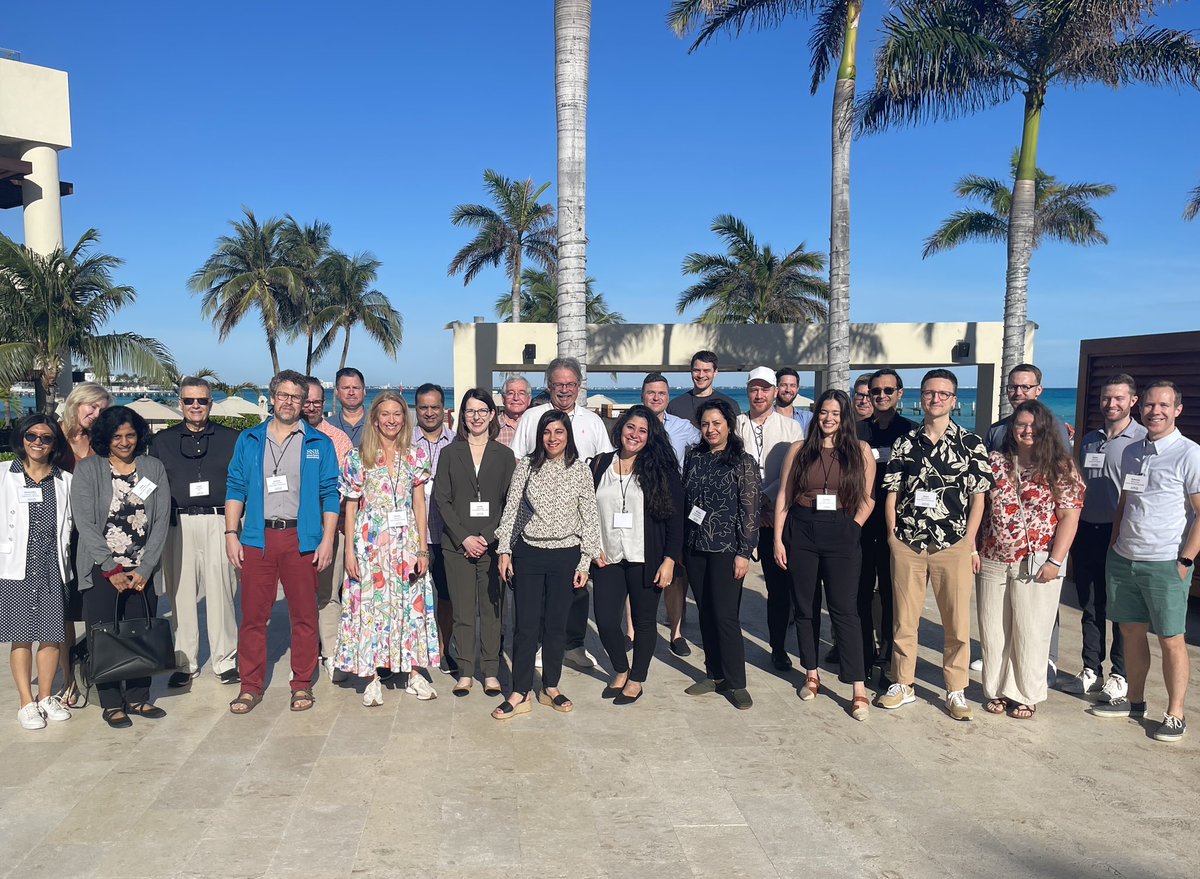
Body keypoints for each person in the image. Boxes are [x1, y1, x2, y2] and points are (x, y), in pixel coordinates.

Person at [878, 369, 993, 721]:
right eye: (930, 392)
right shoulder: (905, 442)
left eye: (944, 394)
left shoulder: (971, 444)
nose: (936, 398)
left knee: (956, 623)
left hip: (952, 543)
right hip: (909, 543)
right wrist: (892, 535)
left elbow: (979, 499)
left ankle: (955, 690)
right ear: (921, 396)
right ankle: (903, 684)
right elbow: (893, 491)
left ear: (954, 400)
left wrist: (970, 541)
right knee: (904, 619)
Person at [1091, 381, 1200, 743]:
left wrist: (1185, 559)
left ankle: (1175, 713)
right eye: (1150, 405)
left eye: (1164, 405)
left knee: (1171, 638)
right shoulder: (1132, 451)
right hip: (1124, 558)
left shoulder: (1189, 453)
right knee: (1130, 632)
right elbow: (1126, 501)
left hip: (1166, 561)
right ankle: (1134, 701)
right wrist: (1114, 543)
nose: (1155, 411)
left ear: (1177, 410)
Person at [225, 370, 339, 715]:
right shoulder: (249, 440)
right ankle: (250, 685)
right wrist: (232, 534)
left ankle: (302, 683)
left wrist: (328, 540)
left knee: (303, 615)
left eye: (296, 397)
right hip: (258, 538)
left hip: (301, 538)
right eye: (283, 395)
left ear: (305, 403)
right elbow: (236, 487)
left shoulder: (319, 443)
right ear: (272, 397)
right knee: (253, 617)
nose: (289, 402)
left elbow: (330, 494)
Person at [978, 401, 1084, 720]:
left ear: (1045, 429)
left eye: (1033, 426)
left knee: (1031, 630)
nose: (1026, 431)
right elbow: (977, 507)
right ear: (1012, 429)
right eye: (1021, 425)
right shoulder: (993, 462)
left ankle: (1026, 693)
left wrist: (1055, 561)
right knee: (993, 630)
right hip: (993, 557)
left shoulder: (1060, 466)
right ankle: (996, 690)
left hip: (1037, 562)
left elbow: (1069, 517)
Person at [334, 391, 441, 707]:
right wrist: (350, 552)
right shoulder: (358, 457)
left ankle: (414, 672)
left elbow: (419, 503)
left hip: (406, 541)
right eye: (386, 414)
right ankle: (370, 677)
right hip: (370, 544)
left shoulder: (416, 456)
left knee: (412, 604)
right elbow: (351, 507)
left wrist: (423, 548)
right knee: (370, 608)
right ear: (375, 418)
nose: (392, 419)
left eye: (398, 413)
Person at [774, 390, 875, 721]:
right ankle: (811, 673)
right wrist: (778, 538)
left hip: (842, 530)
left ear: (845, 417)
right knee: (804, 607)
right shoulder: (800, 450)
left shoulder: (859, 451)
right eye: (823, 412)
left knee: (845, 610)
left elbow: (868, 498)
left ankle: (858, 688)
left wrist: (853, 528)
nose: (829, 418)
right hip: (802, 530)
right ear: (815, 416)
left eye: (835, 413)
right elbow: (784, 496)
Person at [494, 410, 601, 719]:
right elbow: (511, 508)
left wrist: (585, 562)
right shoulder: (526, 466)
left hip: (566, 556)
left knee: (556, 626)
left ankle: (550, 686)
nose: (552, 438)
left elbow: (590, 518)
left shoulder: (580, 470)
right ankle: (519, 691)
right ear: (539, 436)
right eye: (547, 432)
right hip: (529, 554)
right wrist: (504, 551)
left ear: (568, 435)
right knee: (525, 627)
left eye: (559, 432)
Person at [71, 407, 171, 728]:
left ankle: (139, 697)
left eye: (130, 435)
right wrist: (111, 568)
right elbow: (85, 524)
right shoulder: (89, 470)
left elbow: (160, 521)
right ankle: (112, 702)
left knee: (141, 631)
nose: (125, 442)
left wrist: (146, 567)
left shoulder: (152, 468)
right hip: (104, 570)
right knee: (105, 633)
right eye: (117, 436)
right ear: (105, 438)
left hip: (143, 569)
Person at [511, 357, 613, 670]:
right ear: (549, 387)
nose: (565, 390)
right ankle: (542, 645)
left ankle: (574, 645)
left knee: (577, 589)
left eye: (570, 384)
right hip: (537, 524)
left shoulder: (592, 421)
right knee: (538, 594)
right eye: (558, 384)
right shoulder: (532, 417)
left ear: (579, 386)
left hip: (577, 521)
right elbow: (519, 464)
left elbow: (604, 466)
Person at [589, 406, 685, 704]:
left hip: (647, 558)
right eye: (631, 427)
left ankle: (637, 678)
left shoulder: (661, 470)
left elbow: (676, 520)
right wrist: (592, 547)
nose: (635, 435)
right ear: (621, 429)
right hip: (608, 558)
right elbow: (586, 511)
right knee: (605, 620)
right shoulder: (600, 464)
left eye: (643, 430)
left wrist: (670, 560)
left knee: (644, 622)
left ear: (650, 436)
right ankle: (620, 667)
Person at [149, 377, 241, 688]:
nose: (196, 406)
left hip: (219, 522)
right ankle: (185, 661)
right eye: (189, 401)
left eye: (202, 400)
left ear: (211, 403)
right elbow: (150, 484)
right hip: (178, 524)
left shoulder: (232, 439)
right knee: (181, 595)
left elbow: (243, 483)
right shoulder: (162, 441)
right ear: (180, 404)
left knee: (222, 593)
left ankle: (225, 660)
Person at [1065, 374, 1145, 700]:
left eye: (1119, 398)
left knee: (1120, 608)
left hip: (1121, 535)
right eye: (1106, 398)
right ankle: (1091, 669)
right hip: (1087, 530)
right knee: (1090, 605)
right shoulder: (1089, 440)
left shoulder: (1142, 440)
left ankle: (1120, 674)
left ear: (1133, 401)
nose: (1111, 404)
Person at [434, 389, 516, 698]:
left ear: (493, 414)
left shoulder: (504, 455)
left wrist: (487, 536)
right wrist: (464, 537)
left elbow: (510, 502)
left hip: (493, 547)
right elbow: (442, 499)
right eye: (470, 411)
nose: (476, 416)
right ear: (462, 416)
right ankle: (466, 671)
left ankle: (491, 671)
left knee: (492, 611)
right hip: (457, 545)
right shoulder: (450, 453)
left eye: (482, 410)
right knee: (463, 611)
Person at [681, 398, 761, 710]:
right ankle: (713, 673)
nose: (711, 429)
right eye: (705, 424)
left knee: (725, 615)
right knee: (704, 612)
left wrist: (745, 551)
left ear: (728, 424)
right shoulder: (695, 457)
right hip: (696, 546)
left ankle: (736, 681)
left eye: (716, 423)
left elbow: (750, 510)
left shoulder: (743, 461)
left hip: (727, 548)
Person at [2, 416, 75, 730]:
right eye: (31, 436)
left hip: (51, 566)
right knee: (20, 639)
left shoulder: (65, 480)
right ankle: (26, 702)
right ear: (22, 438)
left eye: (46, 438)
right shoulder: (4, 475)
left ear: (54, 443)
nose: (37, 442)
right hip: (16, 567)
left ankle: (46, 696)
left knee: (50, 638)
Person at [734, 367, 802, 671]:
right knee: (731, 584)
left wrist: (766, 499)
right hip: (739, 518)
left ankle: (778, 647)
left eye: (765, 389)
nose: (759, 395)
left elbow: (795, 473)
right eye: (753, 389)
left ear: (775, 392)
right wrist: (751, 503)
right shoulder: (735, 425)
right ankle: (728, 644)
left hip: (777, 519)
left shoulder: (792, 430)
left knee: (779, 589)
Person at [855, 368, 916, 676]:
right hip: (862, 527)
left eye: (887, 391)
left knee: (894, 597)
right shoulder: (856, 431)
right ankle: (863, 656)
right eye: (874, 391)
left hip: (897, 529)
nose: (880, 396)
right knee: (861, 593)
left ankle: (890, 657)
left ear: (899, 394)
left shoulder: (912, 432)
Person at [56, 380, 112, 706]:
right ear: (76, 402)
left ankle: (96, 665)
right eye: (90, 406)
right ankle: (67, 679)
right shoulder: (50, 436)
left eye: (101, 409)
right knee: (62, 612)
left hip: (92, 536)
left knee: (90, 605)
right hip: (58, 535)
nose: (94, 413)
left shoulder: (100, 443)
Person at [641, 372, 699, 656]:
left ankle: (676, 633)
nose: (656, 397)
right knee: (637, 566)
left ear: (668, 396)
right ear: (643, 396)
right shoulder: (633, 423)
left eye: (661, 393)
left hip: (672, 503)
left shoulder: (683, 427)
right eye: (651, 392)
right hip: (638, 503)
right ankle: (632, 630)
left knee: (674, 571)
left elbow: (707, 446)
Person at [303, 376, 354, 682]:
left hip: (329, 530)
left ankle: (331, 654)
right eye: (305, 400)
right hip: (292, 530)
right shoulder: (282, 437)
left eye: (316, 401)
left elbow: (348, 491)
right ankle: (305, 654)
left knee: (328, 595)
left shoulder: (338, 440)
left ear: (324, 403)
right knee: (300, 597)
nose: (310, 406)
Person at [411, 382, 457, 676]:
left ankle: (443, 650)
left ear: (444, 409)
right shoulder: (403, 442)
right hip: (414, 537)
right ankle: (409, 655)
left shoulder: (457, 443)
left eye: (435, 407)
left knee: (447, 597)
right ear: (416, 409)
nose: (429, 412)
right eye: (424, 407)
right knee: (410, 598)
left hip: (448, 535)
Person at [667, 350, 741, 425]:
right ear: (691, 371)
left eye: (706, 371)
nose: (701, 375)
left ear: (715, 373)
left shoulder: (730, 405)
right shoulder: (675, 406)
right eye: (697, 370)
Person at [328, 367, 367, 449]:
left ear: (364, 391)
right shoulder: (327, 426)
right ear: (337, 392)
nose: (351, 393)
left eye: (356, 388)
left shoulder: (378, 423)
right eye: (346, 388)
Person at [497, 375, 532, 449]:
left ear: (529, 399)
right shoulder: (492, 427)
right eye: (510, 393)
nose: (516, 398)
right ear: (503, 399)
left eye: (521, 393)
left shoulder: (535, 426)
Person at [775, 367, 813, 432]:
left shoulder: (808, 418)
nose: (788, 390)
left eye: (792, 385)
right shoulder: (766, 417)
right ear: (776, 388)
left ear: (797, 389)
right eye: (783, 385)